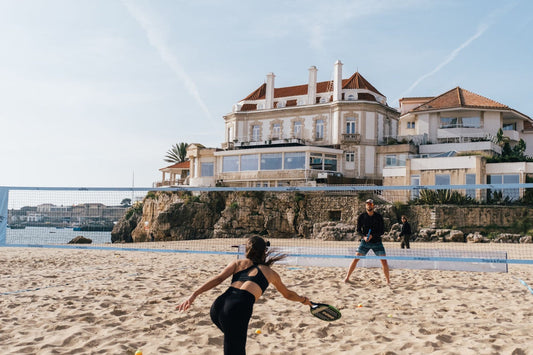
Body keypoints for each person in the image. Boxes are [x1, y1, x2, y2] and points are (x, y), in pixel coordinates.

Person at [176, 236, 311, 355]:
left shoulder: (237, 263)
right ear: (265, 251)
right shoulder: (270, 273)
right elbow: (287, 294)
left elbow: (218, 279)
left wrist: (194, 295)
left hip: (217, 307)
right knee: (236, 347)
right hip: (236, 308)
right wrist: (303, 299)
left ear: (247, 250)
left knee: (234, 344)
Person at [344, 199, 390, 285]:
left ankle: (388, 281)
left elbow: (382, 231)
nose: (369, 205)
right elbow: (358, 230)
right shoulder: (361, 217)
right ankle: (347, 278)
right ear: (365, 206)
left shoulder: (378, 217)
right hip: (365, 242)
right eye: (367, 204)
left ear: (373, 206)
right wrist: (364, 237)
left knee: (384, 261)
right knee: (356, 258)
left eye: (371, 204)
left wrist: (373, 236)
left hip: (376, 241)